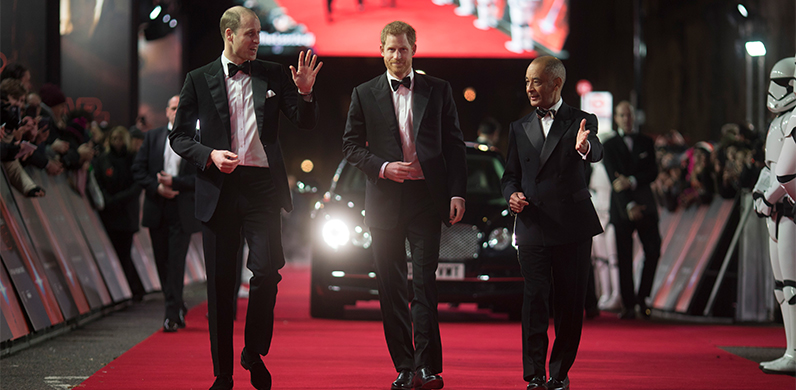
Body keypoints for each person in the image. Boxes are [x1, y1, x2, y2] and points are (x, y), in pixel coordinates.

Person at [167, 6, 322, 390]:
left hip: (262, 188)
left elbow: (305, 123)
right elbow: (179, 137)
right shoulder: (198, 79)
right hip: (218, 187)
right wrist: (209, 155)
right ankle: (223, 375)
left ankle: (252, 352)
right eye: (251, 33)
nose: (257, 40)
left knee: (267, 271)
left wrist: (305, 93)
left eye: (258, 33)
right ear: (229, 34)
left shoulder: (273, 73)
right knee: (220, 286)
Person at [342, 21, 467, 390]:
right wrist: (383, 167)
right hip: (384, 200)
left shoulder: (438, 89)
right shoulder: (364, 93)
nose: (397, 56)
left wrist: (457, 192)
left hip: (427, 199)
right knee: (390, 287)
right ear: (381, 50)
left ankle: (428, 368)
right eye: (391, 49)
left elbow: (455, 144)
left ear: (414, 49)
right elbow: (350, 146)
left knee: (425, 285)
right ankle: (404, 366)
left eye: (404, 49)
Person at [501, 56, 602, 390]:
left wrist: (585, 147)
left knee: (570, 304)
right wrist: (512, 195)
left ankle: (559, 374)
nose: (529, 88)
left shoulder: (582, 120)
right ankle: (534, 375)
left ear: (556, 83)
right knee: (534, 301)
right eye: (527, 81)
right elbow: (510, 176)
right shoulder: (518, 128)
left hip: (572, 226)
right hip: (532, 225)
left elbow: (596, 150)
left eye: (536, 81)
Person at [132, 95, 201, 333]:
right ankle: (177, 304)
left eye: (181, 107)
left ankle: (171, 314)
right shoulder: (153, 137)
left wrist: (175, 182)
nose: (177, 111)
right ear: (167, 111)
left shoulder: (197, 140)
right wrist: (157, 187)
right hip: (157, 208)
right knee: (162, 262)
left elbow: (201, 178)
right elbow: (138, 170)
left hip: (182, 210)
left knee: (176, 263)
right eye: (173, 107)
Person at [753, 56, 796, 375]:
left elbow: (788, 172)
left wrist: (768, 197)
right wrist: (761, 193)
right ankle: (790, 349)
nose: (773, 90)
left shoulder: (792, 120)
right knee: (783, 287)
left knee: (791, 284)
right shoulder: (780, 121)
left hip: (789, 208)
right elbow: (771, 167)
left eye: (780, 83)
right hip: (776, 210)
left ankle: (794, 351)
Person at [600, 101, 661, 320]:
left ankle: (642, 298)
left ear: (634, 117)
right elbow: (614, 180)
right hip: (621, 208)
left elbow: (652, 172)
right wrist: (629, 206)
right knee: (623, 258)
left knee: (653, 250)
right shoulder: (608, 146)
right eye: (622, 115)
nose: (626, 119)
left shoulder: (646, 142)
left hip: (646, 206)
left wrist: (632, 180)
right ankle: (628, 304)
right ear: (616, 118)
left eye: (629, 115)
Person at [93, 126, 145, 301]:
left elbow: (137, 185)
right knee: (114, 253)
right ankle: (125, 291)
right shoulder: (103, 159)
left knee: (124, 253)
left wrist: (117, 199)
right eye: (114, 138)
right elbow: (98, 180)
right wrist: (107, 199)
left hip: (126, 214)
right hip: (109, 213)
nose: (117, 142)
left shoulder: (133, 159)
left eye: (120, 138)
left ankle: (131, 290)